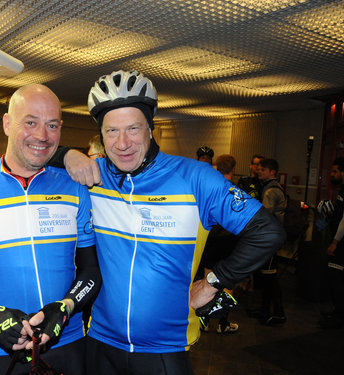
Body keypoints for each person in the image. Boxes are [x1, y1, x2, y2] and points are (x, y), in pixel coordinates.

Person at [58, 70, 286, 374]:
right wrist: (66, 155)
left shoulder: (195, 178)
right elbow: (32, 153)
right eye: (112, 131)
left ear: (151, 129)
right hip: (100, 343)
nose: (122, 143)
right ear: (101, 135)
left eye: (133, 129)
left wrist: (215, 281)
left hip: (165, 349)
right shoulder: (94, 176)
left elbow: (268, 232)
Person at [0, 84, 100, 375]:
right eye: (31, 122)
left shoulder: (74, 187)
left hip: (69, 341)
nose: (42, 136)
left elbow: (91, 271)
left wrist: (66, 307)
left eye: (52, 125)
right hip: (2, 347)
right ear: (7, 124)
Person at [199, 154, 239, 334]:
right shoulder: (235, 191)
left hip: (209, 240)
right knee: (227, 283)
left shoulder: (209, 187)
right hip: (227, 241)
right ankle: (223, 323)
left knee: (208, 279)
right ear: (233, 169)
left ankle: (205, 321)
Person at [248, 158, 287, 325]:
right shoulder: (270, 188)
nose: (259, 171)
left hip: (269, 238)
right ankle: (264, 309)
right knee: (265, 276)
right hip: (269, 237)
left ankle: (279, 314)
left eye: (263, 169)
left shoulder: (271, 191)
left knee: (270, 278)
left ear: (272, 172)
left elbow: (263, 215)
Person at [319, 157, 344, 328]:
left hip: (342, 243)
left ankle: (340, 316)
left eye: (335, 172)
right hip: (339, 239)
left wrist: (335, 241)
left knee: (335, 277)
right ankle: (337, 311)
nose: (332, 175)